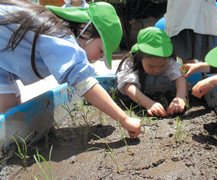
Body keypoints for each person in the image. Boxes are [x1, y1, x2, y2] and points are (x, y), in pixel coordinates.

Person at [0, 0, 141, 137]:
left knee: (11, 106)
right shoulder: (60, 36)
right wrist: (124, 119)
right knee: (7, 108)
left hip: (3, 66)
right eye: (100, 51)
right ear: (86, 29)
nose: (98, 58)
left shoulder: (52, 27)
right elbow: (84, 82)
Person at [116, 27, 187, 117]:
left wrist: (180, 98)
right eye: (151, 66)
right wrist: (148, 103)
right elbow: (128, 86)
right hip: (138, 97)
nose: (157, 70)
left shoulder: (170, 62)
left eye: (162, 65)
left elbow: (180, 77)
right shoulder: (131, 63)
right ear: (140, 58)